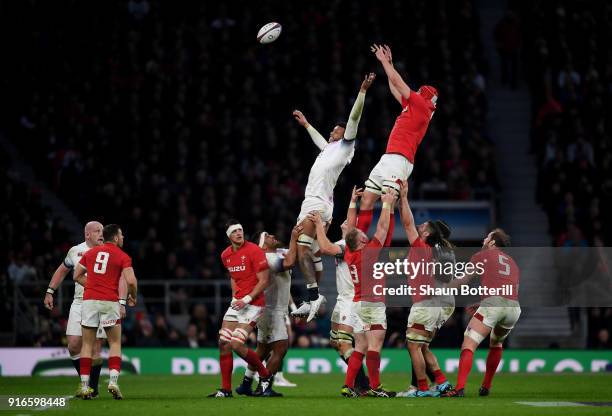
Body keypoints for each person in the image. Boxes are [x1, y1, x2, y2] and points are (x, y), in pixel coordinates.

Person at [291, 73, 376, 322]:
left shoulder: (344, 148)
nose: (332, 131)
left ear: (344, 136)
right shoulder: (329, 149)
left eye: (335, 130)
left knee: (303, 248)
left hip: (318, 202)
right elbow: (321, 140)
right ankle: (312, 298)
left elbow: (353, 119)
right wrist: (306, 124)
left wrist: (362, 91)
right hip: (313, 200)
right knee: (310, 252)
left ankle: (315, 297)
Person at [311, 190, 396, 397]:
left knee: (360, 347)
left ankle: (349, 385)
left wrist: (351, 202)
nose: (363, 232)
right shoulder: (368, 250)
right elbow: (383, 227)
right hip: (370, 302)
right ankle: (375, 387)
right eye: (362, 234)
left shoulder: (348, 251)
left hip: (356, 301)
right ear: (361, 240)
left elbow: (350, 228)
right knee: (374, 346)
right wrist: (386, 205)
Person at [357, 45, 437, 246]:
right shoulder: (415, 107)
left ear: (423, 95)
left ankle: (381, 250)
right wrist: (390, 64)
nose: (415, 92)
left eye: (418, 91)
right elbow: (395, 87)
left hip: (400, 159)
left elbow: (397, 82)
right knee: (367, 199)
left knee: (388, 202)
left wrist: (384, 61)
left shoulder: (421, 106)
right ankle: (355, 244)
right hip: (389, 157)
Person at [43, 221, 126, 398]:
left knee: (96, 346)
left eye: (102, 231)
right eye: (97, 231)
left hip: (101, 302)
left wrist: (121, 301)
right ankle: (85, 382)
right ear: (87, 234)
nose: (101, 234)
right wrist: (50, 291)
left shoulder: (110, 251)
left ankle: (91, 389)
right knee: (73, 345)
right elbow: (62, 270)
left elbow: (122, 277)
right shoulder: (75, 251)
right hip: (80, 302)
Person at [443, 229, 520, 397]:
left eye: (488, 236)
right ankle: (485, 387)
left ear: (492, 243)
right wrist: (483, 303)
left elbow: (464, 279)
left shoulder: (481, 256)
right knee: (496, 343)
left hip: (493, 304)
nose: (484, 239)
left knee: (468, 345)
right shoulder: (512, 262)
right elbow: (511, 291)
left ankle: (459, 388)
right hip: (513, 308)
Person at [311, 186, 370, 394]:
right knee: (336, 342)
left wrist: (319, 224)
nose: (347, 223)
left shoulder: (350, 247)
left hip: (351, 300)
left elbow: (324, 249)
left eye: (351, 226)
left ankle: (362, 385)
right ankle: (362, 383)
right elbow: (318, 250)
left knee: (344, 343)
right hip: (343, 298)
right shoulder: (346, 243)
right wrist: (352, 201)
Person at [398, 181, 453, 397]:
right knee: (423, 347)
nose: (420, 227)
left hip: (426, 303)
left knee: (413, 346)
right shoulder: (438, 251)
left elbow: (407, 223)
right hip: (437, 304)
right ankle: (441, 383)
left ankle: (421, 388)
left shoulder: (422, 247)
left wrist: (403, 198)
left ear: (428, 235)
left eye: (424, 227)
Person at [208, 220, 274, 398]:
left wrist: (246, 298)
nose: (239, 233)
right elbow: (233, 277)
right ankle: (226, 389)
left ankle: (265, 375)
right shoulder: (225, 255)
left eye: (241, 230)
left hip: (254, 303)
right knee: (223, 342)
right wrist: (234, 296)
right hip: (238, 302)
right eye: (235, 231)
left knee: (236, 344)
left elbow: (264, 280)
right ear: (229, 236)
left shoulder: (254, 250)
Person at [73, 224, 138, 400]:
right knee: (115, 343)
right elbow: (131, 281)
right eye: (122, 235)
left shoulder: (90, 253)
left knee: (87, 344)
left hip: (90, 301)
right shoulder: (123, 256)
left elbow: (76, 275)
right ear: (116, 238)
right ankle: (113, 382)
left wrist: (93, 286)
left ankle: (85, 386)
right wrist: (133, 296)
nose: (123, 238)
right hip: (110, 301)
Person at [236, 225, 300, 397]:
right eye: (267, 236)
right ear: (262, 245)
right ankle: (264, 386)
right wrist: (294, 237)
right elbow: (290, 262)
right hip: (273, 312)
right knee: (280, 349)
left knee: (262, 350)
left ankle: (246, 383)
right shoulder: (268, 258)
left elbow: (296, 254)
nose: (272, 235)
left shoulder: (274, 253)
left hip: (267, 310)